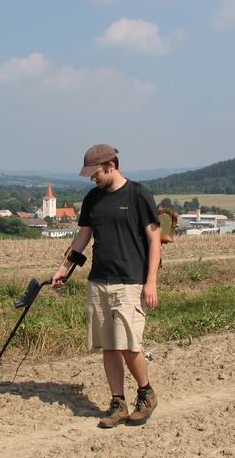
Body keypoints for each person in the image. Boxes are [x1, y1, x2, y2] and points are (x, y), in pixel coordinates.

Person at [52, 144, 161, 428]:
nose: (92, 179)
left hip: (131, 281)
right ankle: (117, 403)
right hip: (99, 281)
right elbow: (82, 238)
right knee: (108, 346)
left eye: (96, 173)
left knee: (129, 345)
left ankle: (145, 393)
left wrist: (151, 282)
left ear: (111, 166)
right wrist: (63, 269)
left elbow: (154, 240)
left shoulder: (138, 194)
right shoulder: (92, 199)